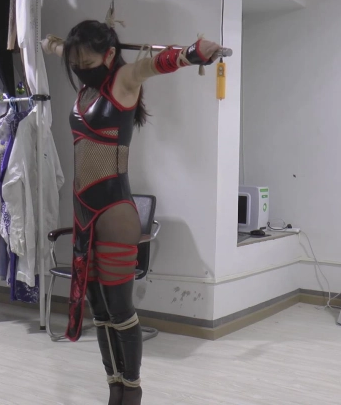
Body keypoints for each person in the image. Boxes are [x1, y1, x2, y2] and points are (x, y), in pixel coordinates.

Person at [42, 20, 221, 405]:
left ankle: (133, 391)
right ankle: (114, 387)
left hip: (114, 213)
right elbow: (63, 51)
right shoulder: (87, 84)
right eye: (75, 63)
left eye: (87, 61)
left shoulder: (122, 80)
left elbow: (153, 64)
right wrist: (53, 44)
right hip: (83, 214)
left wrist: (192, 53)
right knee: (99, 312)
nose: (80, 68)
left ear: (109, 54)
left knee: (120, 311)